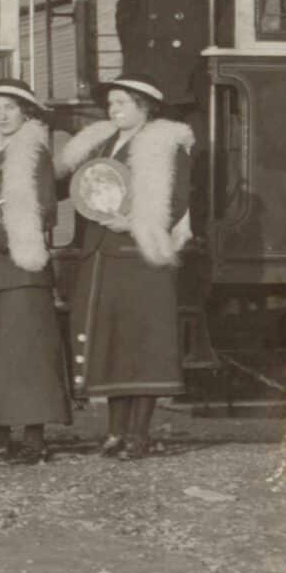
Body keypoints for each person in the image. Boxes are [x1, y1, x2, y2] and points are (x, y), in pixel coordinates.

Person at [59, 77, 194, 459]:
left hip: (140, 255)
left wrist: (134, 222)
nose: (114, 109)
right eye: (112, 103)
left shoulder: (166, 145)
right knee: (114, 343)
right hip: (101, 254)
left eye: (122, 103)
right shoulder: (100, 143)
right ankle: (115, 433)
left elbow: (178, 200)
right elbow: (80, 187)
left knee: (142, 345)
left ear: (146, 107)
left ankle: (138, 434)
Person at [0, 77, 69, 464]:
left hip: (20, 264)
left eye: (9, 107)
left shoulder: (33, 152)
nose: (1, 115)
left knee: (27, 353)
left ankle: (34, 441)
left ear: (26, 112)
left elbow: (45, 211)